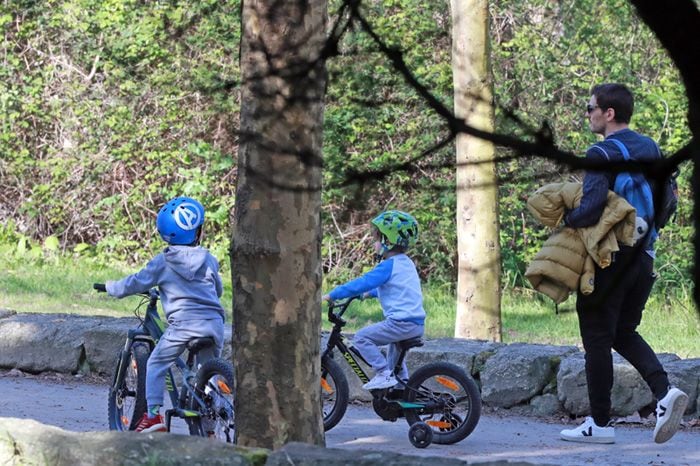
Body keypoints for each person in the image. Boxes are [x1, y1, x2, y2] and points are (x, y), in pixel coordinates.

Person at [559, 83, 688, 444]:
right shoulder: (650, 148)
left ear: (608, 112)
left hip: (610, 257)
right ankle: (664, 394)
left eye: (590, 108)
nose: (588, 114)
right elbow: (667, 202)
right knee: (622, 331)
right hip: (645, 255)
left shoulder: (600, 152)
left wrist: (564, 220)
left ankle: (599, 425)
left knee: (597, 338)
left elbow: (593, 208)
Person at [106, 196, 226, 433]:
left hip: (184, 325)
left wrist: (113, 288)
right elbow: (218, 290)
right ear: (197, 232)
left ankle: (152, 416)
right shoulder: (209, 260)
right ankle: (211, 426)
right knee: (207, 374)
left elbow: (137, 282)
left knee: (156, 363)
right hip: (214, 324)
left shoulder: (163, 262)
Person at [322, 210, 425, 390]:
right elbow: (396, 289)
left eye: (376, 239)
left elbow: (363, 282)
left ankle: (383, 373)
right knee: (395, 359)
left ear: (387, 241)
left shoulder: (388, 266)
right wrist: (367, 295)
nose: (373, 243)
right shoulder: (406, 263)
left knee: (361, 338)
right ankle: (405, 390)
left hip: (400, 324)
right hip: (415, 324)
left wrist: (333, 294)